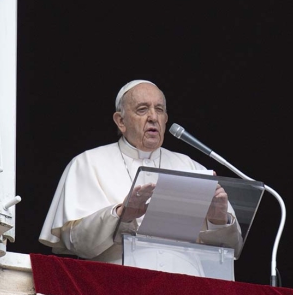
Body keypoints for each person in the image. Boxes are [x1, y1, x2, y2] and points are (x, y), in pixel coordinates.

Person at [39, 80, 241, 275]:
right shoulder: (87, 163)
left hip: (188, 289)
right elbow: (76, 241)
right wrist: (120, 214)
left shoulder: (190, 167)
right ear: (121, 121)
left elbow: (230, 252)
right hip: (119, 284)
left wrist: (218, 220)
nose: (153, 117)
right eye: (142, 109)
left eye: (159, 110)